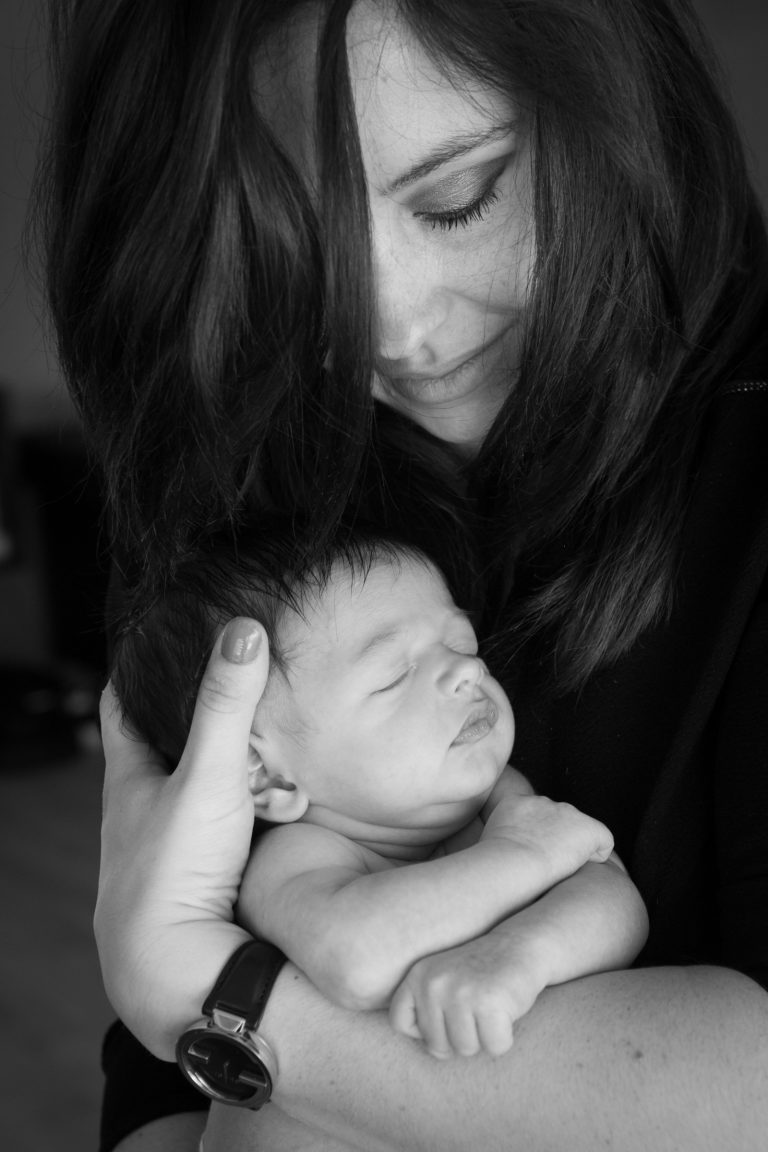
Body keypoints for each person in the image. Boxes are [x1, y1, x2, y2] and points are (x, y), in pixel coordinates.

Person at [37, 0, 768, 1148]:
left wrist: (208, 996)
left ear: (609, 97)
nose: (394, 333)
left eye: (457, 197)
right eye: (293, 258)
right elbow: (162, 1102)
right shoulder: (255, 483)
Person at [111, 530, 647, 1076]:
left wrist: (523, 955)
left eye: (461, 643)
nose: (468, 670)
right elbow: (358, 960)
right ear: (266, 777)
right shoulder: (297, 861)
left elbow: (614, 897)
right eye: (395, 676)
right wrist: (526, 856)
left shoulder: (492, 797)